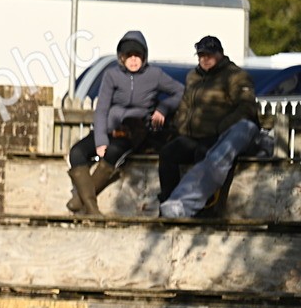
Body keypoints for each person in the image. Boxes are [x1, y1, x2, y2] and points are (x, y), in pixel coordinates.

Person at [66, 30, 183, 216]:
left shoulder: (155, 75)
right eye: (129, 56)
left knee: (113, 153)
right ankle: (89, 206)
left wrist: (163, 108)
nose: (134, 60)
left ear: (144, 56)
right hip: (110, 129)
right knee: (76, 153)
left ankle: (82, 202)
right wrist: (101, 140)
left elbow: (180, 91)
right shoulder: (111, 75)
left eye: (138, 55)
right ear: (121, 57)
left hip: (134, 132)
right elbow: (102, 108)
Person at [158, 36, 268, 218]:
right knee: (168, 154)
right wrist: (181, 123)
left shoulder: (235, 75)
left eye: (209, 55)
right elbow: (185, 103)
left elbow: (246, 107)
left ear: (220, 54)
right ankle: (168, 203)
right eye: (201, 55)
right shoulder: (193, 76)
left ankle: (209, 206)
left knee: (204, 155)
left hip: (218, 134)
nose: (205, 59)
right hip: (192, 134)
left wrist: (222, 126)